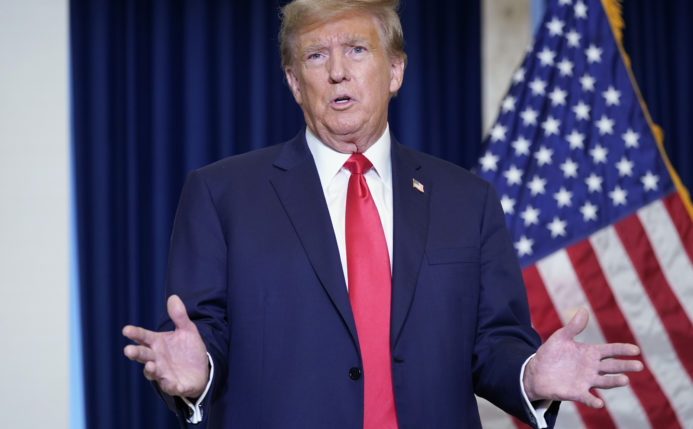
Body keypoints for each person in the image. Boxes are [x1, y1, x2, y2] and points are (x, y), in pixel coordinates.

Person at [122, 0, 643, 427]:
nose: (338, 72)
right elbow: (205, 329)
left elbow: (494, 341)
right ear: (293, 82)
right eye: (315, 57)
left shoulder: (468, 199)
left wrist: (528, 374)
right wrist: (200, 368)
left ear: (394, 70)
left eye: (356, 49)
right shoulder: (221, 193)